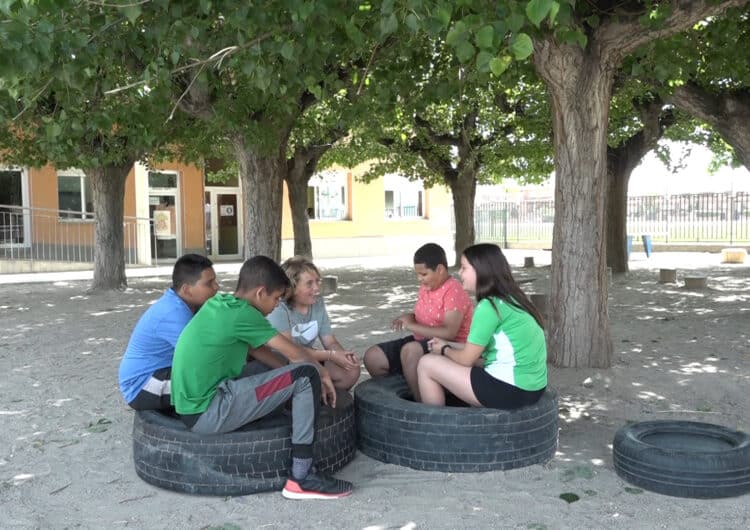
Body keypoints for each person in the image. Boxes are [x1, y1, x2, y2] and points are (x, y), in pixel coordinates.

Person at [170, 255, 353, 500]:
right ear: (260, 293)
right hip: (211, 411)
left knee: (284, 372)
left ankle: (298, 405)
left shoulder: (222, 304)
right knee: (306, 374)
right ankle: (302, 476)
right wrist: (320, 373)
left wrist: (291, 379)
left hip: (195, 406)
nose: (278, 305)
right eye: (276, 298)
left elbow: (262, 352)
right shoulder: (245, 315)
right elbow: (294, 353)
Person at [418, 243, 547, 409]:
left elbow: (466, 359)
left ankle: (437, 426)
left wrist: (444, 350)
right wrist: (447, 344)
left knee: (427, 364)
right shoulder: (513, 298)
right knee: (452, 359)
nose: (459, 272)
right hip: (533, 387)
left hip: (510, 390)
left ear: (480, 270)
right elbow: (478, 351)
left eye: (464, 268)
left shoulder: (488, 307)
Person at [363, 242, 473, 401]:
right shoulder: (427, 287)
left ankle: (420, 405)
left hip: (448, 345)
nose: (419, 279)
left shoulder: (453, 290)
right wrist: (408, 318)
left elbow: (449, 332)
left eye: (423, 274)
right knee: (373, 357)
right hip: (421, 339)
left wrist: (412, 326)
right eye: (418, 274)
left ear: (440, 270)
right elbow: (423, 316)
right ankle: (412, 383)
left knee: (410, 351)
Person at [118, 254, 218, 411]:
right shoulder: (174, 313)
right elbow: (204, 358)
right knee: (218, 383)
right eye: (209, 283)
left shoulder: (188, 304)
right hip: (142, 386)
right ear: (186, 289)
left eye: (215, 281)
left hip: (162, 373)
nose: (216, 287)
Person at [267, 256, 360, 391]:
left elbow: (330, 341)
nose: (317, 288)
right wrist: (331, 355)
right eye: (309, 283)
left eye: (318, 281)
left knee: (351, 370)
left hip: (311, 358)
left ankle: (325, 398)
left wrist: (343, 356)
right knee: (310, 375)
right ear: (292, 286)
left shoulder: (317, 302)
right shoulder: (279, 308)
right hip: (284, 362)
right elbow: (290, 351)